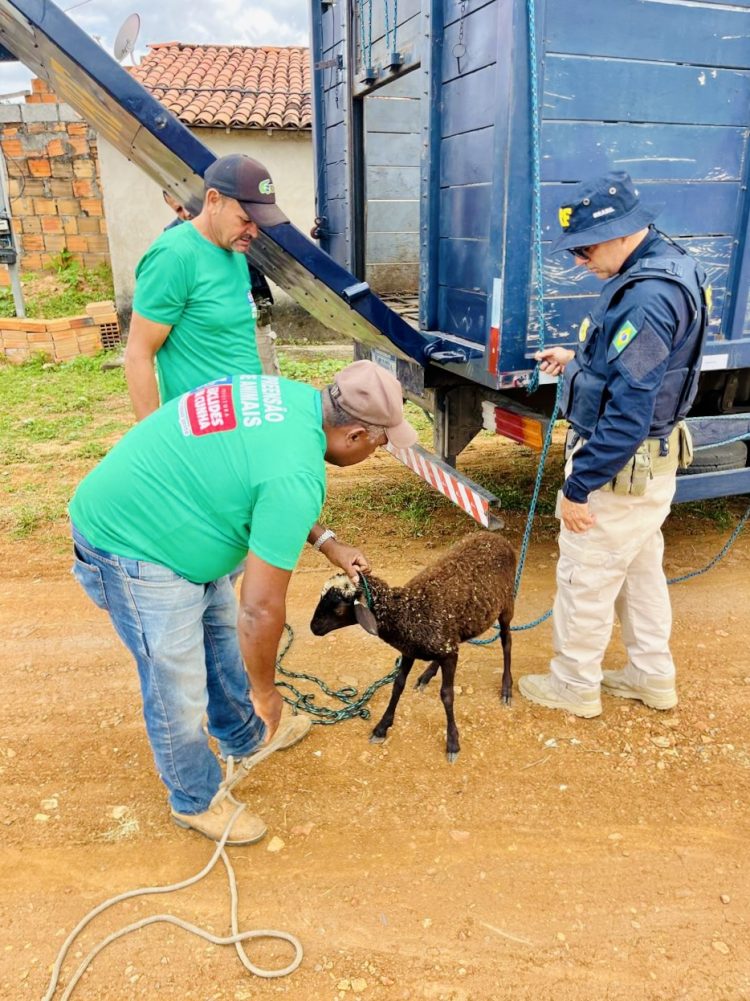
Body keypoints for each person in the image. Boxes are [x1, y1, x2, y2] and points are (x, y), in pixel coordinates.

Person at [69, 361, 418, 845]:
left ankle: (243, 734)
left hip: (178, 526)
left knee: (219, 639)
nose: (377, 454)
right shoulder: (297, 472)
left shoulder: (286, 398)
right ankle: (194, 799)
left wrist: (327, 542)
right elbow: (260, 608)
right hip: (132, 545)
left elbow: (261, 480)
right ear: (356, 434)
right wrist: (267, 692)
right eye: (380, 445)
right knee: (178, 682)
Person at [519, 171, 709, 718]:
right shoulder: (668, 264)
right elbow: (644, 370)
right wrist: (577, 361)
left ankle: (573, 685)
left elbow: (630, 412)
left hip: (621, 468)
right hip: (652, 467)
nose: (579, 260)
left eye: (584, 247)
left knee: (587, 576)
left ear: (623, 232)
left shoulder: (645, 298)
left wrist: (579, 487)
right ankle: (652, 677)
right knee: (639, 571)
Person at [160, 184, 281, 374]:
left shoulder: (234, 227)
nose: (185, 214)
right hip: (211, 329)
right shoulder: (172, 244)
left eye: (186, 205)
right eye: (177, 210)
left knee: (265, 374)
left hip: (251, 311)